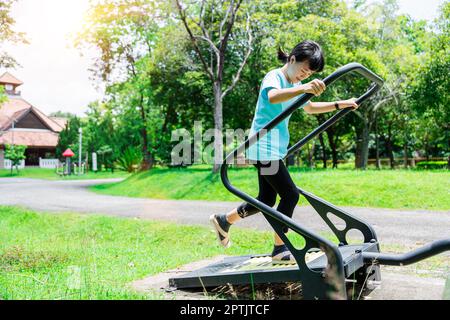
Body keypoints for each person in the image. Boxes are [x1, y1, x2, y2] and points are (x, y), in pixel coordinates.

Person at [210, 40, 359, 264]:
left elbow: (309, 108)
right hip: (262, 148)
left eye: (309, 74)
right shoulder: (275, 77)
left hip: (271, 150)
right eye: (303, 70)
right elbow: (272, 96)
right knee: (290, 195)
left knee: (266, 200)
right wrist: (304, 88)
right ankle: (280, 250)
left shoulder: (295, 86)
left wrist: (341, 104)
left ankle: (224, 220)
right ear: (291, 59)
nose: (304, 76)